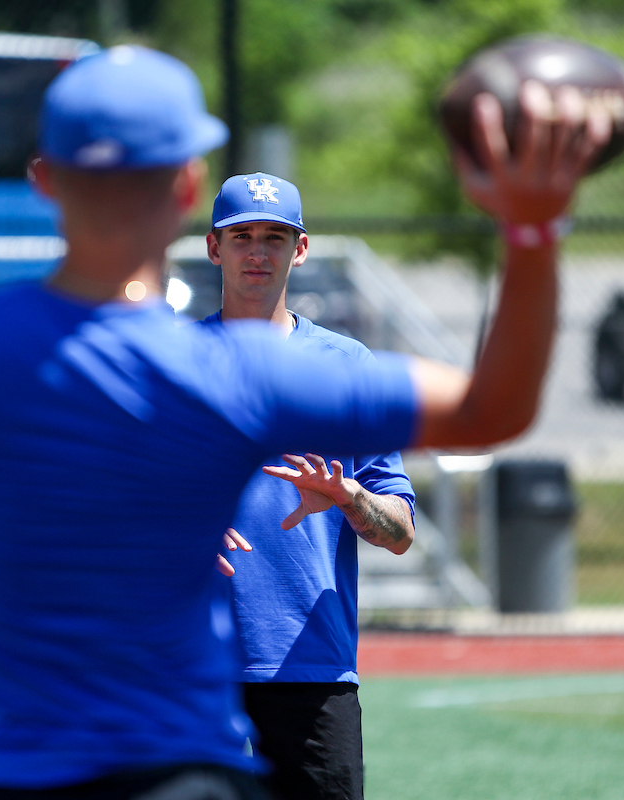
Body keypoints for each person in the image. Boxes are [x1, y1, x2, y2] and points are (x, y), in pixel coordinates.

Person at [0, 45, 610, 799]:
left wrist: (54, 507)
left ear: (43, 180)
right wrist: (531, 231)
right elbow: (493, 409)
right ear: (188, 189)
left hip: (10, 773)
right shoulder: (228, 373)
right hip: (172, 770)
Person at [203, 172, 415, 800]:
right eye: (242, 236)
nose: (258, 252)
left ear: (300, 248)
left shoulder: (348, 368)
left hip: (310, 664)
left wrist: (350, 498)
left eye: (275, 236)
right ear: (215, 248)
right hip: (189, 662)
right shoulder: (173, 362)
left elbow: (401, 533)